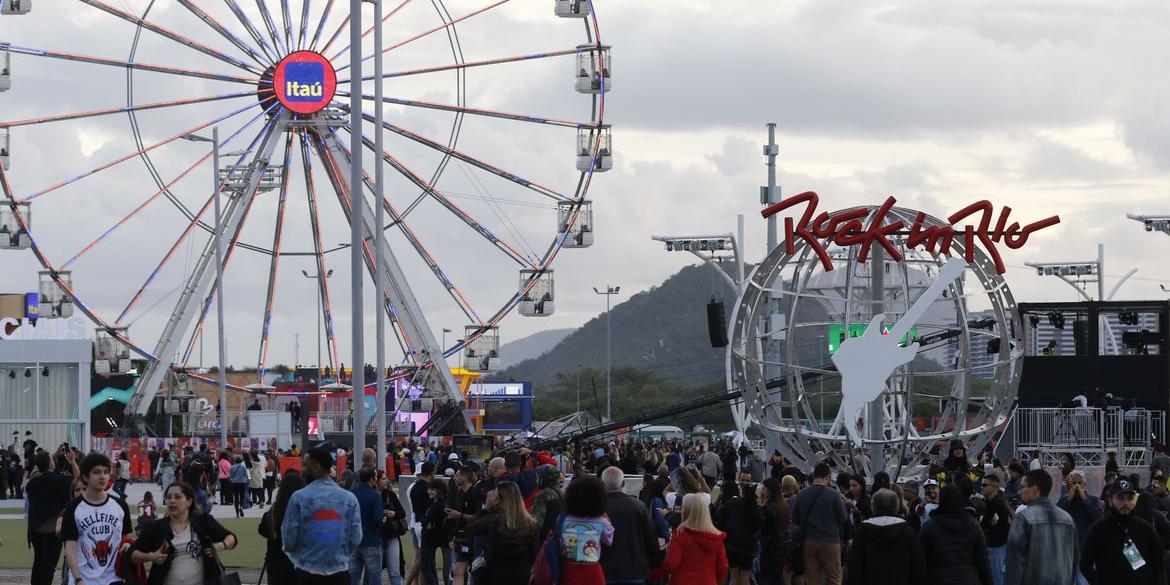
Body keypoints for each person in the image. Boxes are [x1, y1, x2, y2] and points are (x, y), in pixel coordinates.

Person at [129, 482, 238, 585]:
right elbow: (132, 554)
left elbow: (231, 538)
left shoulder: (203, 521)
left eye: (177, 497)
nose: (172, 501)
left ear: (189, 501)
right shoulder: (156, 527)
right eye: (168, 497)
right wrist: (151, 556)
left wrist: (221, 546)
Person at [282, 446, 363, 585]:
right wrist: (340, 556)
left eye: (305, 465)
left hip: (307, 573)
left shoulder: (299, 498)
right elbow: (356, 538)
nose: (301, 470)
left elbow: (289, 542)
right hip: (339, 573)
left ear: (316, 467)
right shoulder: (349, 499)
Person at [62, 452, 134, 585]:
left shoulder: (120, 505)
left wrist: (127, 544)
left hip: (114, 579)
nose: (102, 476)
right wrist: (78, 579)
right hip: (84, 579)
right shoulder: (73, 508)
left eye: (106, 472)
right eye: (97, 472)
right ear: (85, 476)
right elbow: (70, 548)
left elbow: (125, 538)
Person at [1081, 478, 1163, 585]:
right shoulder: (1099, 530)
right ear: (1110, 501)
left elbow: (1158, 562)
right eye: (1120, 498)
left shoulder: (1145, 529)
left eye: (1129, 498)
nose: (1125, 503)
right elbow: (1085, 564)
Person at [1004, 469, 1078, 585]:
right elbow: (1074, 561)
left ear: (1035, 490)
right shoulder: (1067, 519)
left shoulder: (1023, 518)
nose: (1020, 492)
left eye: (1023, 487)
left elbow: (1014, 563)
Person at [464, 482, 540, 585]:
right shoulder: (530, 524)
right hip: (522, 571)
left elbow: (469, 529)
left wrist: (485, 509)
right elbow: (534, 552)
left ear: (498, 499)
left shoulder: (493, 521)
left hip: (496, 571)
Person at [845, 488, 925, 585]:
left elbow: (854, 566)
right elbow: (918, 566)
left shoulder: (862, 531)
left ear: (873, 507)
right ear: (896, 506)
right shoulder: (908, 532)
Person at [649, 493, 728, 585]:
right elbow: (722, 566)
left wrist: (654, 575)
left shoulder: (681, 534)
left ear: (686, 511)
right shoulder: (717, 537)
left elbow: (672, 563)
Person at [920, 485, 992, 585]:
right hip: (969, 578)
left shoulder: (929, 527)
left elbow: (921, 561)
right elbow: (983, 562)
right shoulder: (972, 525)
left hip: (939, 578)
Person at [599, 466, 660, 585]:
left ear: (602, 483)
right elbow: (651, 541)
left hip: (604, 572)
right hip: (634, 571)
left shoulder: (596, 507)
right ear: (623, 483)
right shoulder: (638, 506)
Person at [789, 462, 847, 585]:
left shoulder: (801, 495)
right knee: (833, 578)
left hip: (809, 541)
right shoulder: (834, 495)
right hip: (830, 541)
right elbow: (843, 518)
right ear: (828, 477)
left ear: (814, 476)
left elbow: (795, 519)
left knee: (812, 579)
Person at [557, 475, 615, 585]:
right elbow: (609, 540)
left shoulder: (563, 519)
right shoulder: (601, 521)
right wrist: (607, 519)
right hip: (592, 570)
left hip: (568, 569)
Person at [26, 450, 73, 585]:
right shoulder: (60, 480)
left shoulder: (32, 484)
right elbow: (78, 479)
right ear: (51, 465)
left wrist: (50, 457)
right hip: (53, 529)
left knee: (38, 561)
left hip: (35, 529)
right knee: (49, 565)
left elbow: (39, 468)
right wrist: (73, 462)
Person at [714, 471, 760, 585]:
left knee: (735, 576)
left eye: (747, 480)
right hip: (745, 545)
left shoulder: (732, 502)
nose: (745, 483)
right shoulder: (754, 503)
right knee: (743, 576)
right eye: (743, 480)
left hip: (733, 544)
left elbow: (720, 521)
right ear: (738, 481)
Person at [1057, 469, 1103, 585]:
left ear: (1084, 484)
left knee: (1083, 581)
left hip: (1085, 549)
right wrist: (1069, 499)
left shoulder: (1092, 500)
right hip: (1066, 549)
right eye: (1074, 483)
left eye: (1079, 483)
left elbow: (1097, 517)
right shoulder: (1064, 500)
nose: (1077, 486)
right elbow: (1056, 518)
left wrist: (1084, 500)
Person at [261, 472, 305, 585]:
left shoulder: (272, 514)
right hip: (301, 564)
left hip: (276, 565)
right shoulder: (305, 511)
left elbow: (262, 530)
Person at [349, 468, 383, 585]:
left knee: (353, 575)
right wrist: (385, 518)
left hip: (354, 540)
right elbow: (378, 519)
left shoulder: (352, 494)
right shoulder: (375, 496)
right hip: (371, 540)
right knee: (374, 574)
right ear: (371, 479)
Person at [980, 474, 1011, 585]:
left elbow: (982, 525)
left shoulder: (994, 503)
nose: (982, 487)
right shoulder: (999, 500)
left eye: (984, 485)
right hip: (1000, 545)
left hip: (996, 546)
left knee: (996, 579)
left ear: (994, 487)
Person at [757, 478, 789, 585]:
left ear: (771, 490)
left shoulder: (768, 508)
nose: (763, 491)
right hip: (781, 547)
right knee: (777, 577)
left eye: (765, 489)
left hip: (769, 548)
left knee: (766, 577)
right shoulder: (782, 505)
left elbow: (763, 528)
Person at [377, 471, 406, 585]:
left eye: (386, 478)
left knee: (394, 571)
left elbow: (402, 513)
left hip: (392, 535)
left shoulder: (390, 494)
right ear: (376, 480)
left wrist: (394, 514)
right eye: (383, 479)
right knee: (376, 571)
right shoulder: (372, 495)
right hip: (377, 536)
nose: (387, 481)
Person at [419, 479, 449, 585]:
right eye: (429, 489)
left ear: (439, 491)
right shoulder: (435, 504)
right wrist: (425, 520)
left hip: (429, 540)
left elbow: (425, 520)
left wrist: (425, 520)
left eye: (432, 489)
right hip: (430, 539)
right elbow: (424, 520)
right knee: (430, 567)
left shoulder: (439, 506)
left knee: (426, 568)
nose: (429, 492)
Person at [530, 466, 565, 539]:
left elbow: (536, 521)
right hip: (557, 535)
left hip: (544, 537)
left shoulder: (543, 494)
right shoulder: (560, 493)